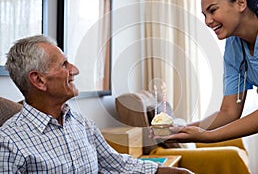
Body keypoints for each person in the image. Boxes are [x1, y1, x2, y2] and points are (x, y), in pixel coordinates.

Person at [155, 0, 258, 173]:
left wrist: (208, 137)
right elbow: (229, 111)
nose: (207, 21)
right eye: (204, 15)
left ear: (241, 3)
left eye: (212, 11)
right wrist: (185, 129)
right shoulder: (234, 47)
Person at [0, 35, 192, 174]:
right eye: (64, 65)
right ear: (39, 80)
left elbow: (116, 164)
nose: (74, 70)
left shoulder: (81, 123)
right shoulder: (8, 143)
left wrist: (169, 172)